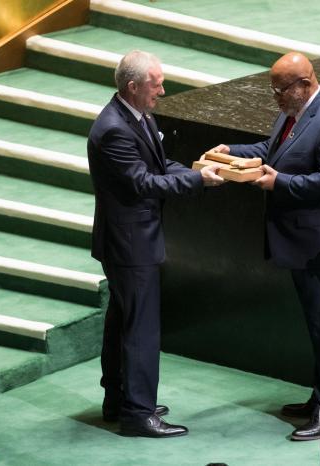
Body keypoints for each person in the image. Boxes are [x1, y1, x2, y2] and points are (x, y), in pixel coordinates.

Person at [211, 52, 320, 441]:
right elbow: (272, 149)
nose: (276, 97)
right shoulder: (293, 112)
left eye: (281, 89)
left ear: (305, 84)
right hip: (306, 242)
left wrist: (278, 182)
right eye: (274, 89)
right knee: (317, 325)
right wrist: (232, 152)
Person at [87, 50, 225, 438]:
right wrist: (198, 181)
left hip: (132, 240)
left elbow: (160, 167)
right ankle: (138, 413)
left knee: (123, 320)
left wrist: (199, 169)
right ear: (133, 86)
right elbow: (143, 183)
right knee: (141, 329)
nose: (162, 91)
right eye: (156, 84)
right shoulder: (114, 129)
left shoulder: (138, 115)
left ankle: (119, 400)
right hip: (129, 244)